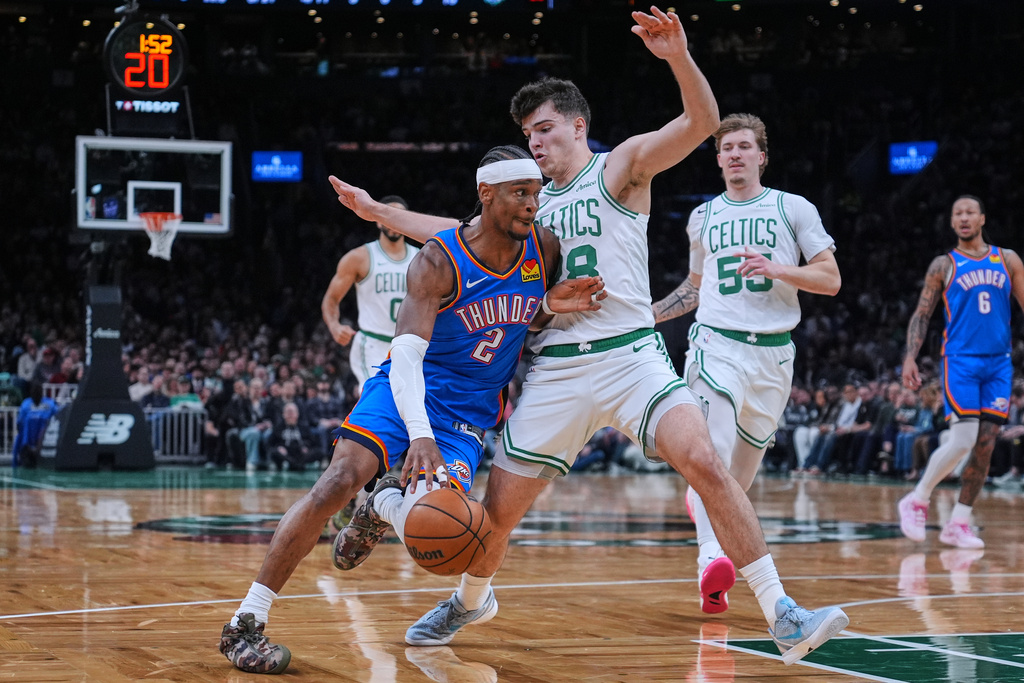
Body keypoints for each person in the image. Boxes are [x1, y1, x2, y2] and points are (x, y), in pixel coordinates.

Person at [330, 8, 847, 665]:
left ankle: (783, 613)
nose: (535, 143)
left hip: (632, 357)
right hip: (557, 368)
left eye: (544, 129)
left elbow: (701, 124)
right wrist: (380, 212)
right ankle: (470, 598)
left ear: (578, 125)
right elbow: (453, 229)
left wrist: (679, 59)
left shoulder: (620, 168)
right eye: (527, 134)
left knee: (708, 464)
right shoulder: (530, 204)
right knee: (495, 512)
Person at [219, 146, 606, 675]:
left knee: (437, 527)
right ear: (485, 194)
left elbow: (520, 316)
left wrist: (548, 309)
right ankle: (245, 622)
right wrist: (419, 434)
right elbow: (404, 357)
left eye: (536, 193)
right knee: (336, 482)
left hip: (468, 415)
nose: (532, 205)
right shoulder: (437, 261)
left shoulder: (545, 246)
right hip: (407, 387)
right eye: (521, 193)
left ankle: (384, 506)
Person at [651, 112, 841, 613]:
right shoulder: (703, 217)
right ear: (717, 159)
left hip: (774, 355)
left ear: (761, 155)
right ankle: (710, 556)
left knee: (735, 480)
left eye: (743, 146)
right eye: (726, 147)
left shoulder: (792, 207)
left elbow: (831, 279)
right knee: (712, 454)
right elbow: (696, 287)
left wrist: (778, 268)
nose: (734, 154)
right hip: (716, 345)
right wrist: (650, 314)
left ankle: (710, 539)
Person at [897, 195, 1024, 549]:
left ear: (982, 218)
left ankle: (959, 523)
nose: (964, 218)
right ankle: (917, 499)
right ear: (952, 223)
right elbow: (923, 314)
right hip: (961, 361)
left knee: (984, 446)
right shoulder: (944, 264)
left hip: (999, 362)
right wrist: (911, 356)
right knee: (965, 439)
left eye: (970, 212)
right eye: (958, 214)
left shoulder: (1007, 259)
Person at [321, 195, 419, 398]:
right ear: (377, 220)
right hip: (373, 344)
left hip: (410, 346)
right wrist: (334, 326)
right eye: (388, 215)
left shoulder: (422, 258)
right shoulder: (359, 257)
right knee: (378, 401)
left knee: (410, 407)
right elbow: (331, 299)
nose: (393, 221)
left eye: (398, 216)